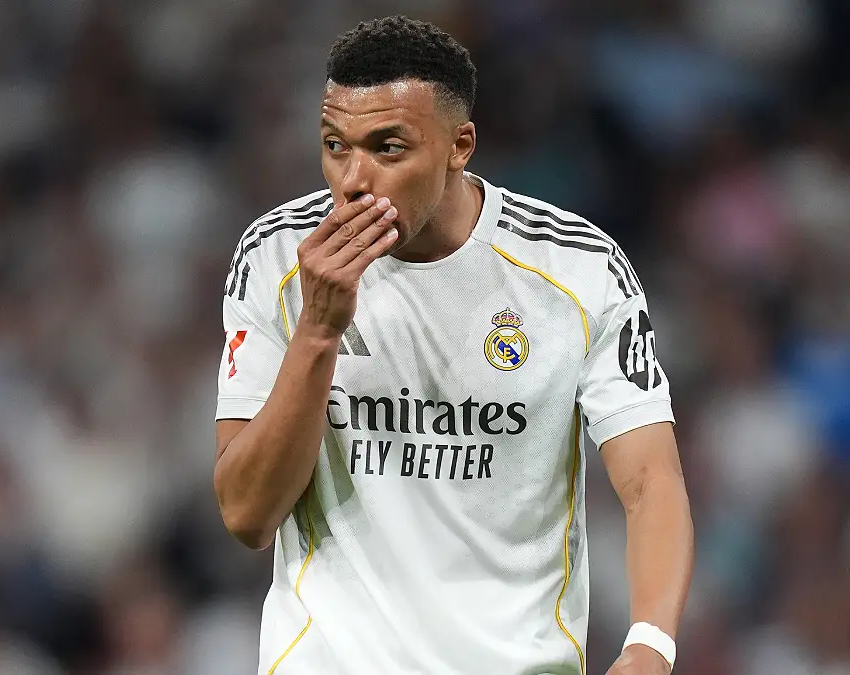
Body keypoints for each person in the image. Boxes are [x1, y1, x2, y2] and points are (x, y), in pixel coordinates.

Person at [214, 15, 693, 675]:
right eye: (334, 144)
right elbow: (245, 513)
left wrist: (650, 644)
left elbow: (651, 479)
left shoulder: (578, 269)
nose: (352, 179)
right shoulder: (275, 257)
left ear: (458, 145)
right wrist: (318, 332)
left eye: (387, 147)